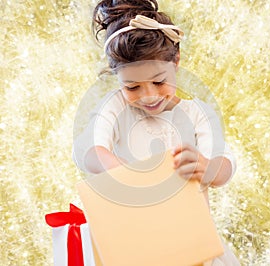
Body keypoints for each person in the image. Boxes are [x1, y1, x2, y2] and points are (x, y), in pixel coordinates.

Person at [73, 0, 240, 265]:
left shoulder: (197, 114)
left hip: (192, 246)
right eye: (132, 86)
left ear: (176, 62)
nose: (148, 96)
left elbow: (225, 166)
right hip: (135, 246)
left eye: (159, 81)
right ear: (116, 78)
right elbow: (89, 151)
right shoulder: (115, 108)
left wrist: (206, 167)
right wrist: (126, 174)